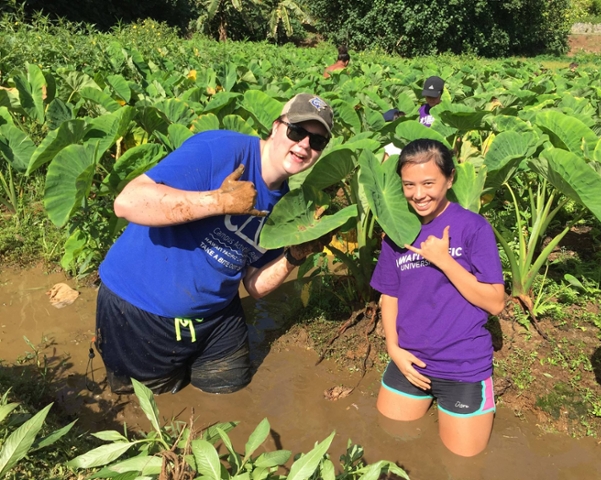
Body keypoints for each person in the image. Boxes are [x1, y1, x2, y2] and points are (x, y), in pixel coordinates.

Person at [96, 93, 334, 395]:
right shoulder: (222, 150)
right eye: (297, 131)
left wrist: (294, 256)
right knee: (152, 397)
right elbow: (128, 202)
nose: (304, 146)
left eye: (317, 142)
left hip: (214, 316)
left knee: (229, 387)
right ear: (275, 127)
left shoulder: (287, 205)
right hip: (140, 306)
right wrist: (216, 202)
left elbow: (255, 286)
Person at [371, 139, 505, 457]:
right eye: (409, 185)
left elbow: (495, 302)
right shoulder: (398, 230)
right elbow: (389, 294)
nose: (419, 194)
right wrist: (393, 348)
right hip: (410, 361)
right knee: (388, 442)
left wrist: (444, 260)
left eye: (429, 183)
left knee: (463, 463)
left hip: (463, 366)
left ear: (450, 179)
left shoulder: (473, 228)